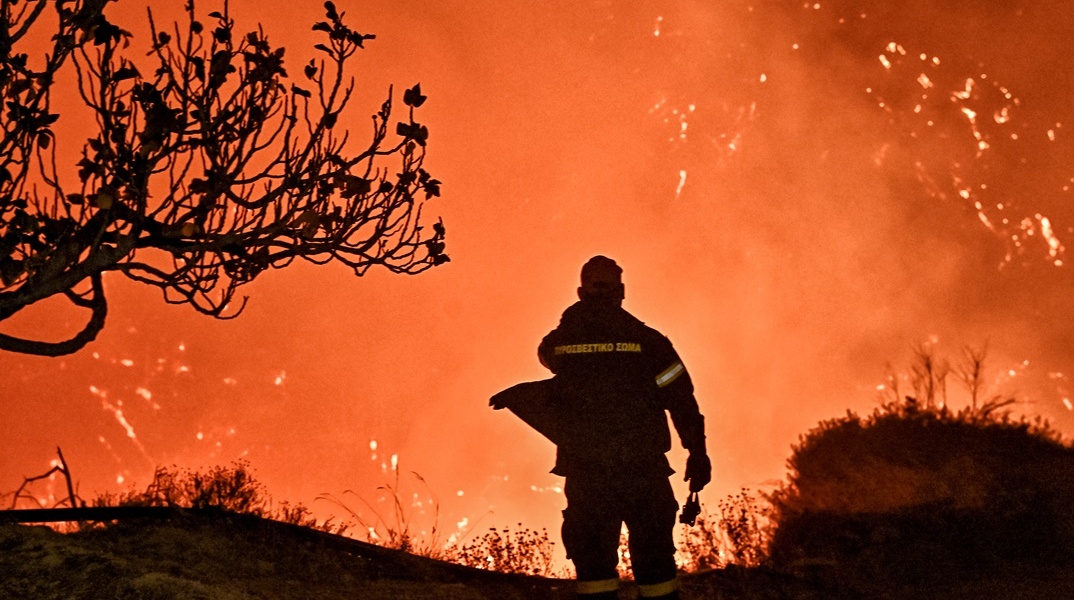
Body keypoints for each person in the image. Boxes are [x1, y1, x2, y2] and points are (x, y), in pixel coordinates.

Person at [537, 255, 711, 600]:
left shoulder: (563, 343)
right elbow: (681, 400)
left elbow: (547, 354)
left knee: (595, 570)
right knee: (655, 567)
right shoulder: (649, 343)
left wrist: (577, 317)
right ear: (623, 292)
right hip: (642, 470)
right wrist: (697, 451)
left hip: (589, 473)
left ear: (580, 292)